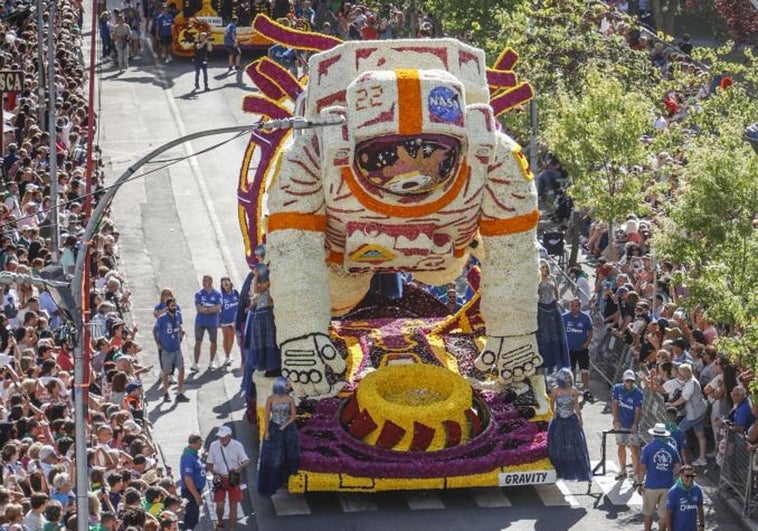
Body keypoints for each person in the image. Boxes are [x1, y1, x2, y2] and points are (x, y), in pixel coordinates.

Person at [257, 377, 300, 496]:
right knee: (274, 455)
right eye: (286, 385)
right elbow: (266, 416)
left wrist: (284, 426)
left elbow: (293, 416)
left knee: (289, 452)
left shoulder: (290, 399)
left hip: (288, 429)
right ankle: (275, 480)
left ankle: (287, 477)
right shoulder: (270, 399)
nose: (288, 387)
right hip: (274, 428)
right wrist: (266, 431)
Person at [546, 368, 591, 482]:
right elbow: (551, 404)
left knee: (575, 446)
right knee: (557, 445)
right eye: (565, 379)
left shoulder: (573, 390)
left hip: (571, 420)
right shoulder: (555, 390)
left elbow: (576, 406)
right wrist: (554, 412)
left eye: (569, 379)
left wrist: (580, 418)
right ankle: (558, 470)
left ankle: (574, 470)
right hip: (559, 420)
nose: (568, 381)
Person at [639, 423, 681, 531]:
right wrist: (671, 476)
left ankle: (647, 530)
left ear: (654, 435)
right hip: (667, 485)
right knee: (664, 514)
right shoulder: (672, 448)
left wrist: (639, 483)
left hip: (651, 485)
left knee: (648, 512)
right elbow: (678, 467)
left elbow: (642, 468)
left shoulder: (647, 448)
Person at [207, 425, 250, 531]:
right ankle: (220, 522)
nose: (221, 439)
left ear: (229, 436)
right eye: (219, 437)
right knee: (220, 505)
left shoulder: (237, 445)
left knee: (233, 506)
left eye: (224, 437)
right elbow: (209, 463)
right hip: (220, 478)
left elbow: (247, 461)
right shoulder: (214, 445)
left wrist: (239, 468)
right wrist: (214, 473)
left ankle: (231, 529)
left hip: (233, 478)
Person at [667, 363, 708, 466]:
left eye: (680, 373)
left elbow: (684, 398)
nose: (679, 375)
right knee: (700, 434)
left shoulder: (691, 383)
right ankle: (702, 458)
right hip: (699, 411)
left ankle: (678, 458)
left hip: (694, 414)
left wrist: (672, 404)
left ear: (685, 374)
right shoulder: (690, 380)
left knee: (678, 431)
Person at [536, 261, 570, 379]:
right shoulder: (536, 279)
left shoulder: (552, 278)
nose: (544, 269)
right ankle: (545, 367)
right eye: (541, 267)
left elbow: (556, 290)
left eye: (545, 267)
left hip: (552, 307)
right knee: (544, 336)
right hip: (541, 308)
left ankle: (559, 366)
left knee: (556, 335)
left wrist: (558, 300)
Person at [153, 297, 189, 403]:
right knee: (166, 372)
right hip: (167, 349)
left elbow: (179, 326)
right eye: (172, 305)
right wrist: (158, 343)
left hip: (177, 348)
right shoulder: (162, 318)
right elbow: (155, 330)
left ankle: (180, 392)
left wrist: (181, 335)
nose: (174, 307)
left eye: (175, 305)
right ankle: (166, 393)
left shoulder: (178, 315)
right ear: (168, 307)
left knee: (181, 369)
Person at [612, 369, 644, 481]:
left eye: (631, 381)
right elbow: (615, 404)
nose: (629, 383)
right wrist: (615, 420)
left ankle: (635, 474)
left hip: (631, 425)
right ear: (623, 380)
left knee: (634, 449)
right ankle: (622, 470)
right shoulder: (617, 388)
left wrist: (634, 424)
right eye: (627, 381)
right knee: (621, 446)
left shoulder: (638, 393)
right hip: (620, 423)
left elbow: (637, 409)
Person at [563, 297, 594, 401]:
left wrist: (587, 343)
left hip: (582, 349)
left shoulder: (585, 317)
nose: (574, 308)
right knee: (571, 370)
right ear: (569, 306)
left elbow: (590, 331)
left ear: (580, 307)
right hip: (569, 350)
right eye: (572, 305)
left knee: (584, 370)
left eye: (576, 306)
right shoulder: (564, 317)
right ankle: (572, 390)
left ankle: (586, 391)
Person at [193, 275, 222, 372]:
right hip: (200, 322)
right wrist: (211, 309)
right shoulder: (199, 294)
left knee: (213, 342)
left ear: (211, 282)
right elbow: (199, 308)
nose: (203, 282)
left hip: (212, 322)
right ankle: (195, 363)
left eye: (205, 280)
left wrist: (207, 309)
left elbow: (218, 307)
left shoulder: (217, 294)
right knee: (198, 342)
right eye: (203, 280)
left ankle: (211, 362)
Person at [666, 465, 705, 531]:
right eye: (687, 476)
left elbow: (700, 508)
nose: (690, 479)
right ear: (681, 475)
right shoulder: (674, 491)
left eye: (692, 476)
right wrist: (669, 529)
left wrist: (701, 525)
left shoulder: (697, 489)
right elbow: (668, 512)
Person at [179, 433, 205, 531]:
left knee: (194, 518)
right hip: (190, 492)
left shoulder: (193, 454)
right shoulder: (188, 457)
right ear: (193, 444)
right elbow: (188, 479)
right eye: (199, 443)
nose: (201, 445)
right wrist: (196, 496)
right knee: (191, 520)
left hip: (194, 491)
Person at [219, 277, 239, 367]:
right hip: (225, 320)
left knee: (232, 338)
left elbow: (239, 304)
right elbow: (218, 309)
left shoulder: (235, 293)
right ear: (222, 286)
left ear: (230, 283)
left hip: (234, 320)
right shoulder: (221, 296)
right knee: (226, 338)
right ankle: (227, 356)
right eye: (224, 284)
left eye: (227, 283)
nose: (226, 285)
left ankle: (229, 354)